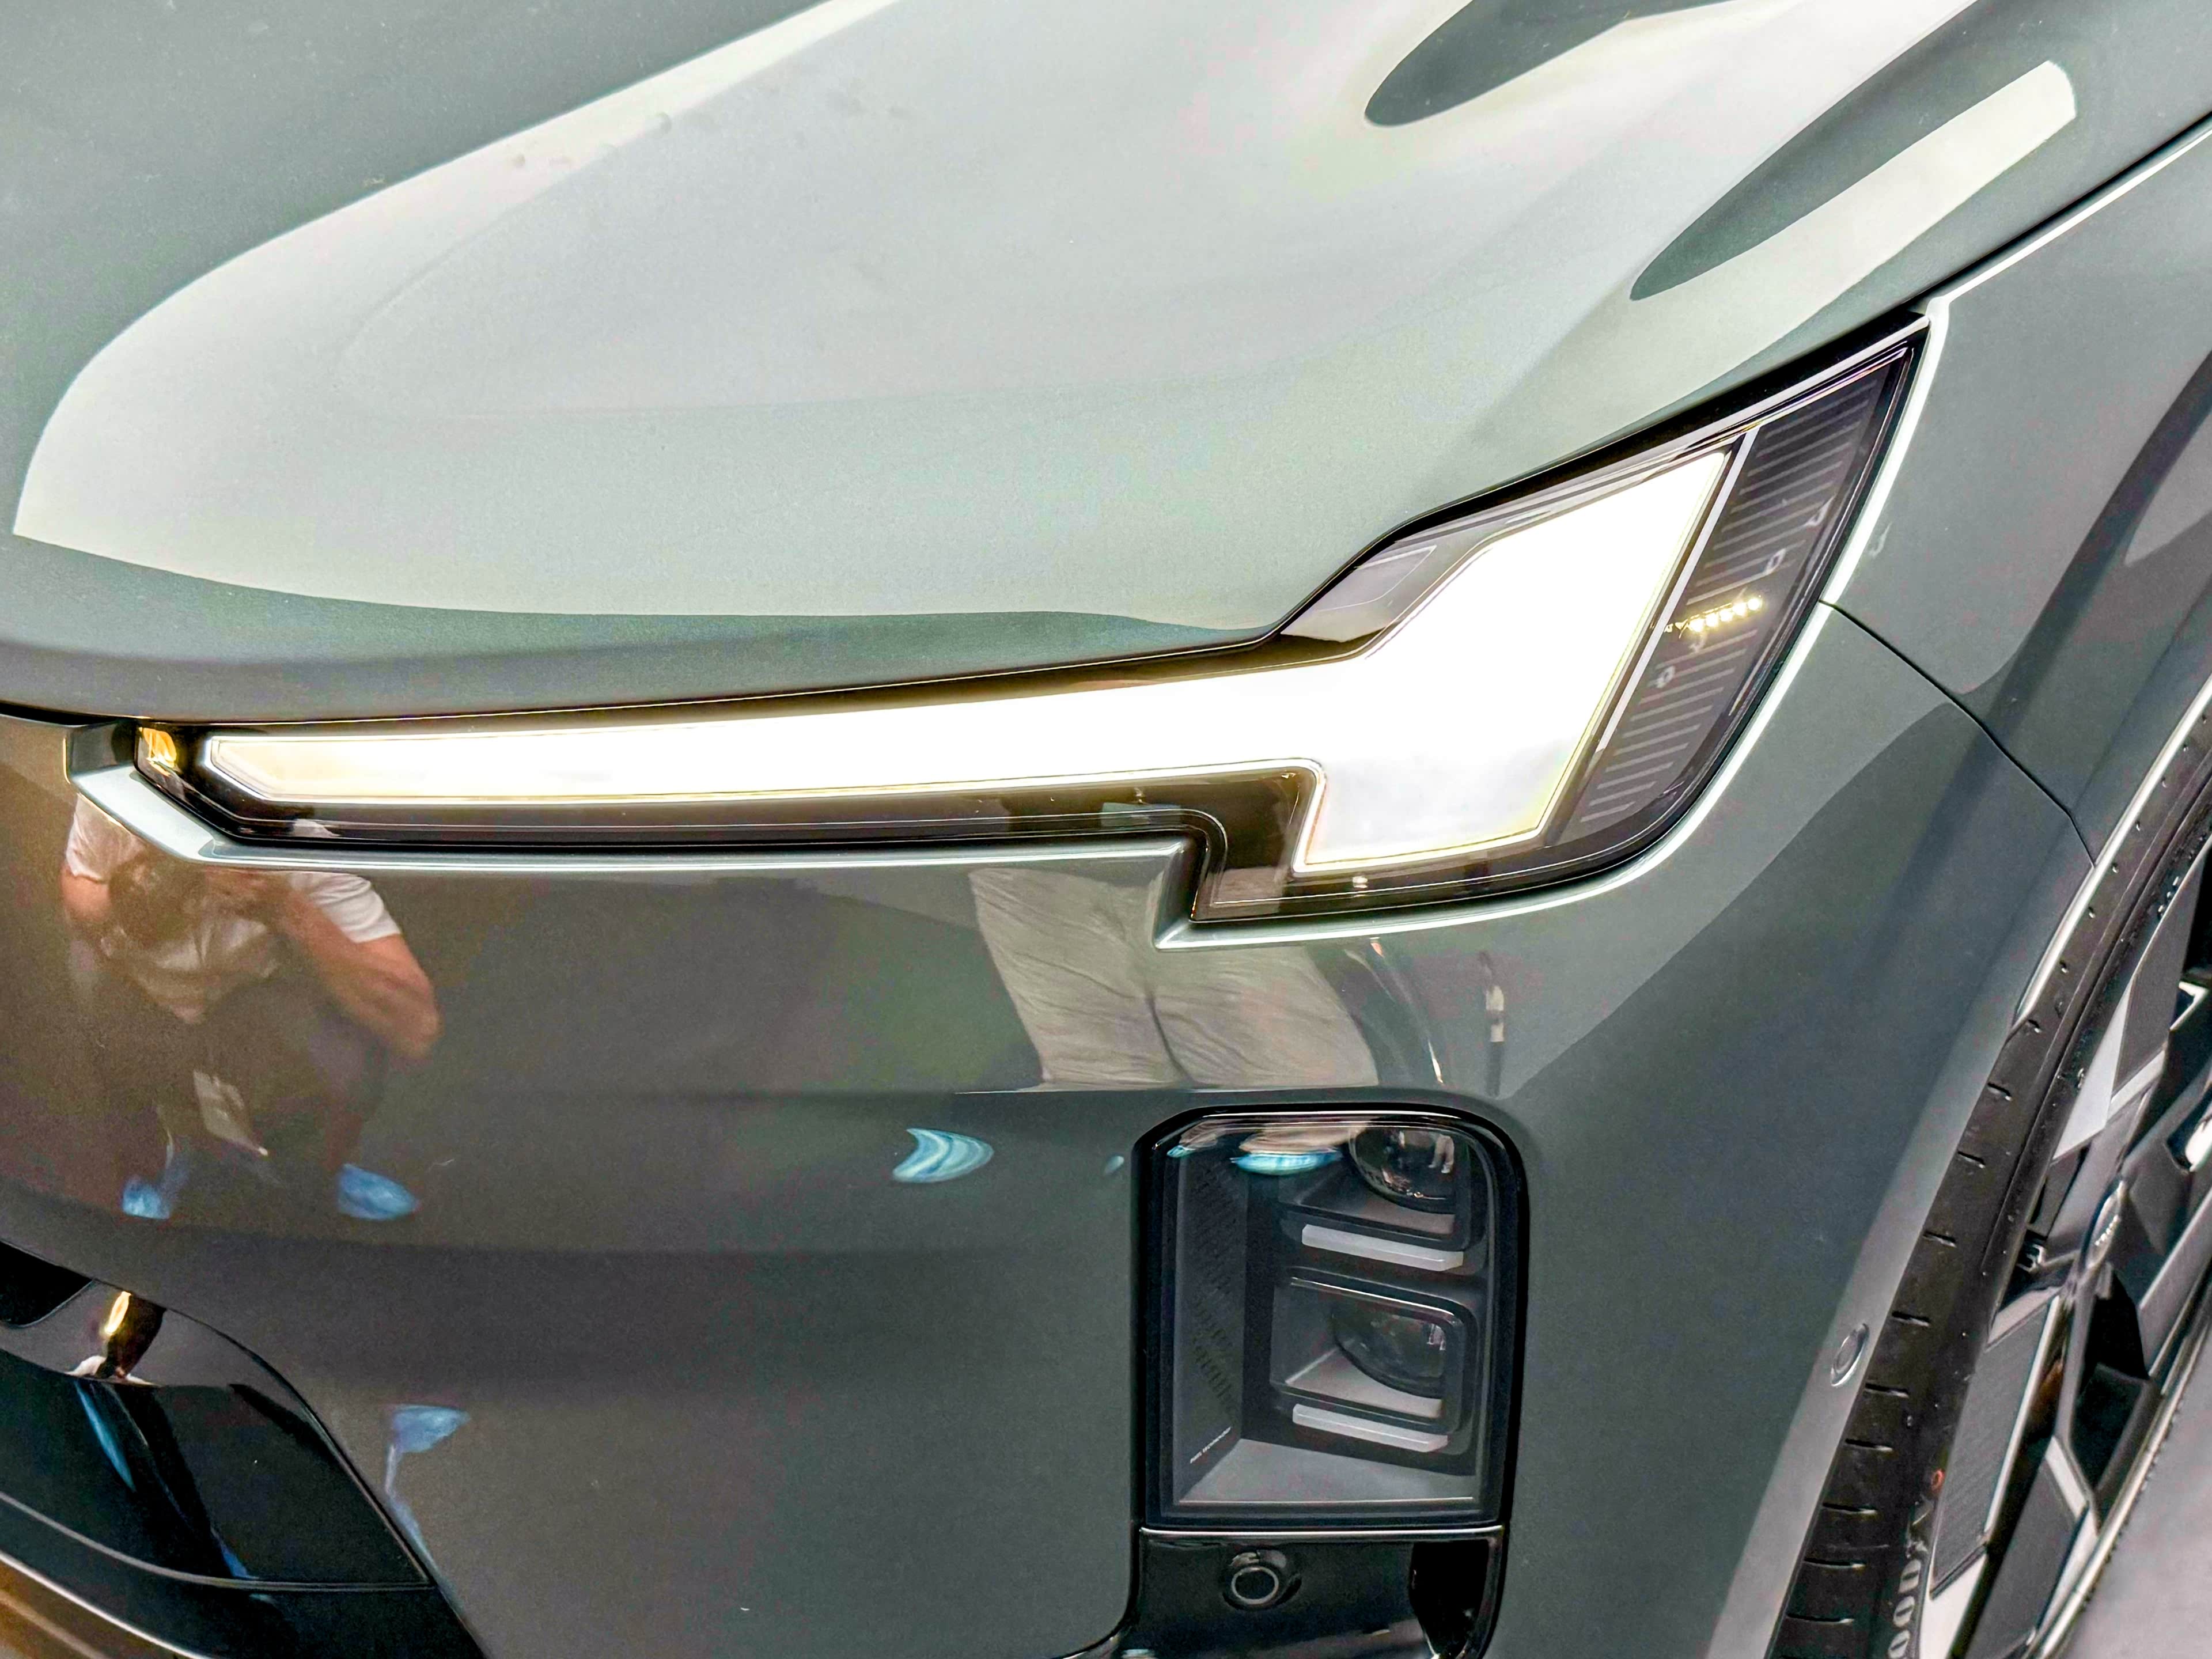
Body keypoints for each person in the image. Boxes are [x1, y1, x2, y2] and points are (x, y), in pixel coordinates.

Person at [58, 799, 440, 1221]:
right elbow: (77, 894)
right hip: (140, 995)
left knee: (348, 1062)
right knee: (86, 984)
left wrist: (287, 909)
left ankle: (316, 1173)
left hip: (243, 1002)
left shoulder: (306, 849)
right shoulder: (121, 800)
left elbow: (416, 1025)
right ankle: (157, 1163)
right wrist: (130, 890)